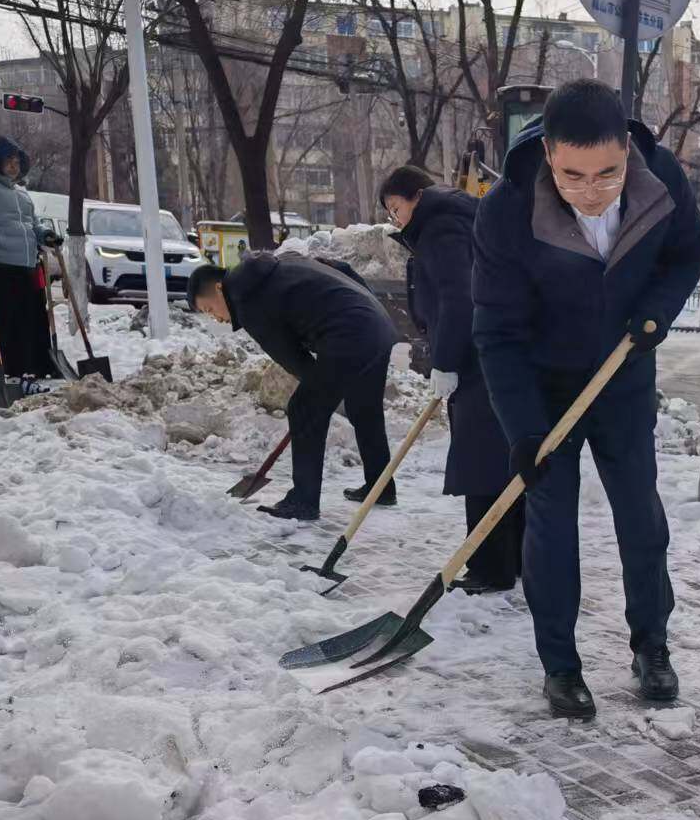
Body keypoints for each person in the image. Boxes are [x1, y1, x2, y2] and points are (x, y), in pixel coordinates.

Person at [472, 79, 700, 719]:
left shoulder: (660, 181)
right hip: (546, 388)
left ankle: (651, 645)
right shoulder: (506, 213)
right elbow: (496, 332)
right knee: (552, 524)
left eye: (607, 172)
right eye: (574, 175)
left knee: (640, 512)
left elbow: (688, 252)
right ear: (548, 153)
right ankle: (561, 666)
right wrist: (522, 430)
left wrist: (656, 314)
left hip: (623, 373)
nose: (592, 190)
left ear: (627, 148)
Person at [381, 164, 522, 592]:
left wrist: (446, 361)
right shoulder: (461, 216)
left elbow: (458, 297)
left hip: (476, 357)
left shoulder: (440, 228)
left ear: (417, 196)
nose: (395, 218)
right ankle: (511, 562)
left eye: (395, 207)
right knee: (500, 461)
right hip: (494, 352)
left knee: (480, 464)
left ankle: (489, 570)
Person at [187, 255, 397, 521]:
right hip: (376, 324)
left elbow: (294, 360)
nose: (215, 318)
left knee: (304, 408)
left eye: (209, 310)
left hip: (351, 333)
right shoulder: (279, 264)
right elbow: (341, 268)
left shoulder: (249, 301)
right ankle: (382, 488)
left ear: (219, 287)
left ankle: (303, 501)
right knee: (364, 409)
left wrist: (322, 391)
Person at [0, 136, 57, 383]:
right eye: (9, 160)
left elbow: (32, 223)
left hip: (26, 265)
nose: (14, 166)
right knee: (0, 322)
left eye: (17, 161)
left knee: (26, 320)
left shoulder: (20, 192)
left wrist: (45, 235)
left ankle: (26, 367)